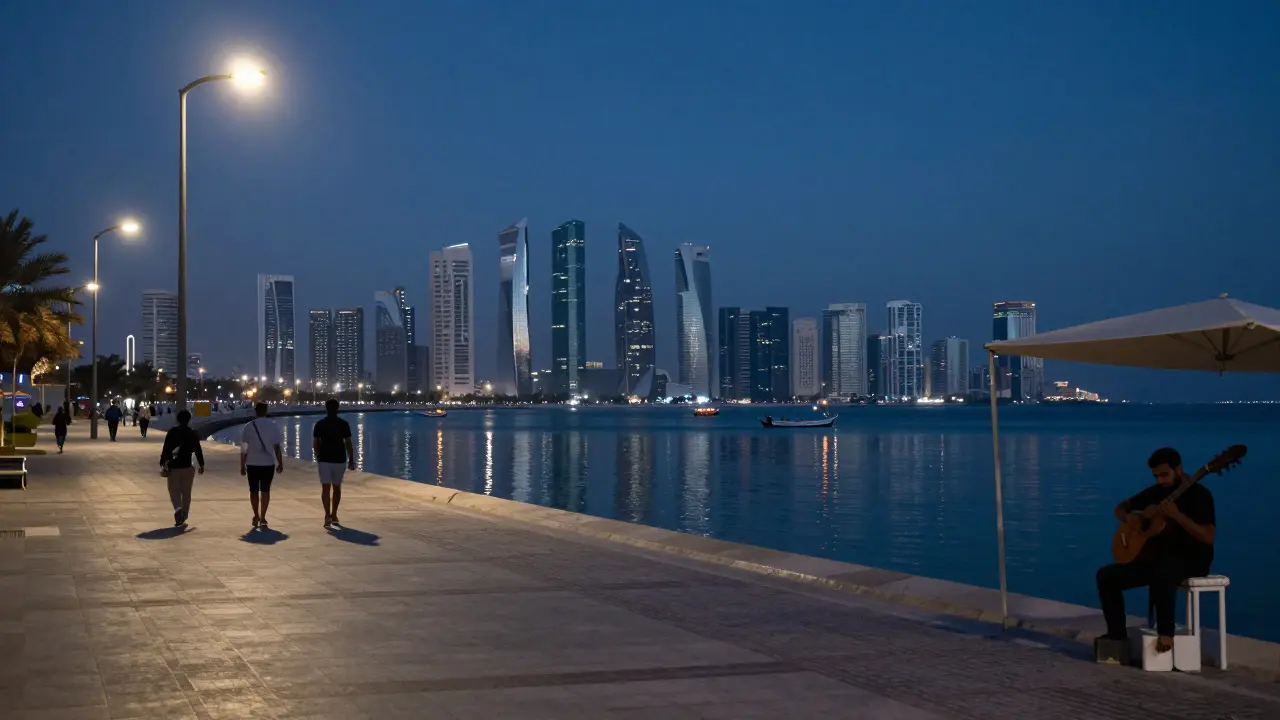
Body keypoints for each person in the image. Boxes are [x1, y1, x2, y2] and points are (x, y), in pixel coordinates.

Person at [1096, 447, 1216, 653]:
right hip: (1154, 558)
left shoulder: (1200, 495)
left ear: (1178, 469)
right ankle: (1116, 635)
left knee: (1164, 571)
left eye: (1164, 475)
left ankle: (1166, 634)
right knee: (1106, 576)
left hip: (1191, 558)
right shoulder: (1155, 493)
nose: (1160, 480)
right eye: (1156, 476)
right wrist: (1129, 517)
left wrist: (1178, 516)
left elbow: (1208, 536)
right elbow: (1120, 507)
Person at [312, 398, 355, 529]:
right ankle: (334, 515)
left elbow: (315, 443)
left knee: (325, 488)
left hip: (324, 459)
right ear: (338, 408)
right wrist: (351, 459)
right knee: (336, 487)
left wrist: (318, 456)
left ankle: (327, 515)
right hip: (339, 459)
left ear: (326, 408)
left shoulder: (319, 424)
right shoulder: (344, 424)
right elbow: (348, 443)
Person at [239, 402, 284, 528]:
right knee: (265, 490)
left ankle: (256, 515)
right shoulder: (273, 425)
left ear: (255, 411)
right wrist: (280, 462)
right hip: (268, 463)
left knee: (253, 490)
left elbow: (244, 448)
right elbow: (277, 447)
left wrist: (242, 465)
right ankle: (263, 517)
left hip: (252, 463)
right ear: (266, 411)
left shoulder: (248, 426)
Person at [160, 410, 205, 527]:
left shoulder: (172, 432)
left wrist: (163, 462)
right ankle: (184, 514)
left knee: (173, 490)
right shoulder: (192, 433)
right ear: (189, 420)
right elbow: (198, 450)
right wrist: (201, 464)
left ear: (177, 419)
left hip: (173, 466)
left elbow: (166, 449)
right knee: (186, 491)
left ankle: (177, 508)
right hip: (187, 466)